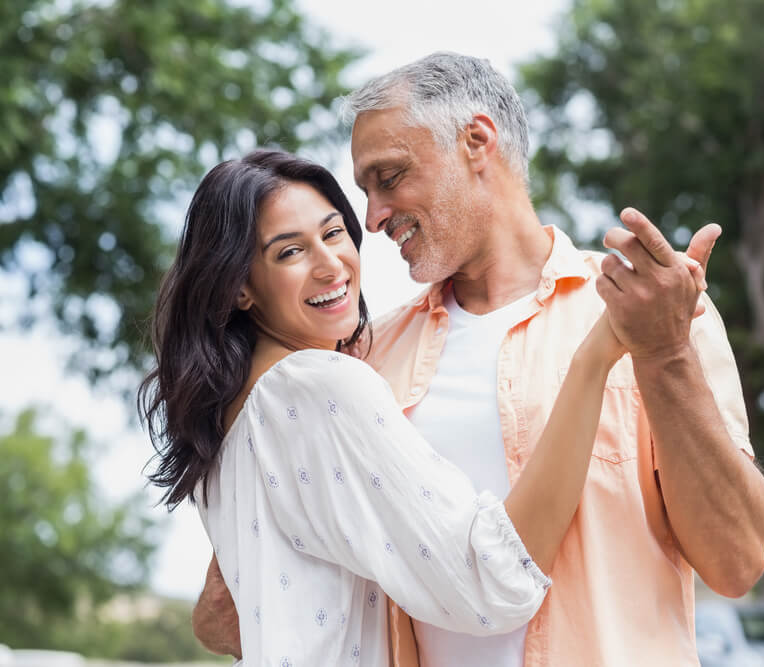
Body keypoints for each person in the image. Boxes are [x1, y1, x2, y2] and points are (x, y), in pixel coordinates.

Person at [194, 53, 764, 666]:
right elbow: (233, 605)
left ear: (477, 142)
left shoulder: (657, 315)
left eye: (388, 177)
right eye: (364, 192)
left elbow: (735, 564)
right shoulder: (363, 359)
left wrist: (666, 353)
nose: (373, 218)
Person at [140, 149, 702, 665]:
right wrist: (596, 356)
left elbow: (222, 621)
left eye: (334, 232)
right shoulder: (322, 387)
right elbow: (490, 581)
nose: (331, 265)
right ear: (240, 288)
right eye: (289, 251)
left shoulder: (232, 416)